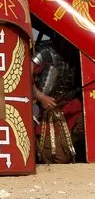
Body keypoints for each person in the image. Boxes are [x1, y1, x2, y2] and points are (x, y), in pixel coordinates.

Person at [31, 20, 84, 164]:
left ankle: (71, 145)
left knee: (86, 120)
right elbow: (24, 76)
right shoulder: (44, 52)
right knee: (58, 158)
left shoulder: (77, 53)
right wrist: (41, 97)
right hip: (44, 110)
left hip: (68, 106)